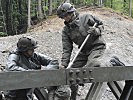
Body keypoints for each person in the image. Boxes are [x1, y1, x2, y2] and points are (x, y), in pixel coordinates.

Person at [57, 3, 106, 100]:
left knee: (92, 65)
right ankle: (73, 97)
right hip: (83, 51)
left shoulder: (86, 17)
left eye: (66, 15)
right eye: (63, 17)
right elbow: (67, 49)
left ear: (72, 12)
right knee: (71, 72)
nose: (65, 18)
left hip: (96, 46)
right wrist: (64, 64)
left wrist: (96, 30)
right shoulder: (66, 30)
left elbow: (101, 24)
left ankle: (112, 62)